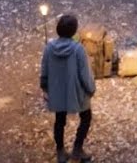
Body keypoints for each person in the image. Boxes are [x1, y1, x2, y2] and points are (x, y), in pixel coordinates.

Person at [40, 13, 96, 162]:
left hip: (57, 91)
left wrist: (45, 88)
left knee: (59, 120)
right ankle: (77, 149)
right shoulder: (78, 49)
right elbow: (85, 73)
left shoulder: (49, 48)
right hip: (76, 92)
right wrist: (91, 89)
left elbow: (44, 70)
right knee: (86, 117)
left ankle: (60, 151)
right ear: (74, 31)